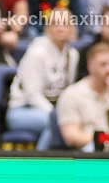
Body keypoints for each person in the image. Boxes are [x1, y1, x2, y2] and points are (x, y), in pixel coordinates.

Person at [6, 8, 79, 149]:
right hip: (21, 111)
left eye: (65, 24)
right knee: (58, 123)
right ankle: (40, 165)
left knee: (67, 122)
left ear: (72, 29)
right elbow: (32, 95)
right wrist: (56, 114)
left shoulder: (73, 55)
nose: (60, 29)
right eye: (55, 24)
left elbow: (69, 92)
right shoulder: (37, 52)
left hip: (54, 110)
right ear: (48, 28)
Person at [57, 42, 109, 151]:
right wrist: (104, 140)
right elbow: (71, 136)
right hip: (91, 150)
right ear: (90, 66)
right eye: (103, 64)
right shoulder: (72, 94)